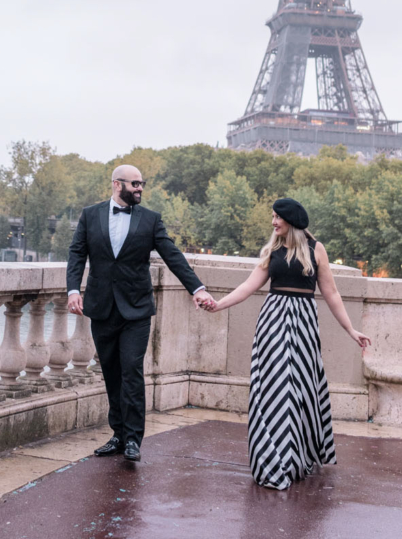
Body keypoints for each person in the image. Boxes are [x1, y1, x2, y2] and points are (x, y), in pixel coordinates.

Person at [205, 197, 370, 490]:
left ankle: (298, 458)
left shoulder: (315, 249)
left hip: (304, 324)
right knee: (274, 387)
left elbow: (332, 294)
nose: (273, 223)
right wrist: (218, 305)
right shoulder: (272, 251)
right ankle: (273, 458)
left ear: (289, 220)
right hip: (273, 322)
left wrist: (351, 330)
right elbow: (247, 286)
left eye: (276, 218)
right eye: (272, 217)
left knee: (302, 390)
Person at [67, 164, 215, 461]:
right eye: (134, 184)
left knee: (131, 370)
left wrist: (197, 289)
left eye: (141, 184)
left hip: (135, 309)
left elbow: (173, 256)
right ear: (116, 184)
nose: (140, 189)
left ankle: (134, 439)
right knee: (111, 372)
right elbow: (76, 253)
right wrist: (73, 290)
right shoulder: (90, 214)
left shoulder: (150, 220)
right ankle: (118, 434)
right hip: (101, 307)